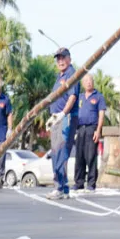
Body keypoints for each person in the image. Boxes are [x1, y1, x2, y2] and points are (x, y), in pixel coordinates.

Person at [46, 47, 79, 199]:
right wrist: (52, 117)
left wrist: (62, 114)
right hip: (56, 119)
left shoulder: (72, 74)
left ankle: (58, 187)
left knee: (60, 152)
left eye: (63, 57)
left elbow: (72, 97)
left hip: (66, 118)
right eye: (58, 58)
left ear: (69, 59)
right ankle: (63, 187)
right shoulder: (60, 77)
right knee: (56, 152)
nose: (60, 61)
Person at [72, 72, 105, 193]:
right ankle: (78, 182)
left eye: (90, 80)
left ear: (93, 82)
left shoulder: (99, 96)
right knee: (79, 156)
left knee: (91, 156)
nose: (88, 83)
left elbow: (101, 114)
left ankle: (91, 183)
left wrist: (98, 130)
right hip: (80, 129)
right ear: (83, 83)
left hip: (92, 128)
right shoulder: (79, 97)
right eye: (86, 81)